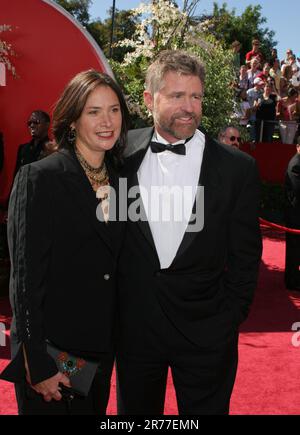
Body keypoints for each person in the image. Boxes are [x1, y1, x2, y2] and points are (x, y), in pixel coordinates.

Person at [116, 50, 262, 415]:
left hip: (207, 332)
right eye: (177, 96)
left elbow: (245, 257)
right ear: (149, 99)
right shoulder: (119, 155)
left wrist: (229, 318)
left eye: (195, 96)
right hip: (135, 332)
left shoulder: (236, 169)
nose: (189, 107)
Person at [0, 69, 129, 415]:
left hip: (99, 355)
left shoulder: (120, 183)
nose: (107, 121)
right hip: (53, 355)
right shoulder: (40, 178)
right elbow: (24, 281)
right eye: (94, 111)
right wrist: (37, 362)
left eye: (114, 110)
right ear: (72, 120)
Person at [284, 138, 300, 291]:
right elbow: (297, 189)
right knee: (294, 249)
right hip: (295, 215)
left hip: (297, 213)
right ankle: (292, 280)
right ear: (297, 147)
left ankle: (295, 277)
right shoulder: (295, 164)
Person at [14, 110, 51, 176]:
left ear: (47, 125)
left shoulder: (53, 149)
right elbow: (17, 176)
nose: (32, 125)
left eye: (36, 122)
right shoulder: (23, 149)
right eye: (29, 123)